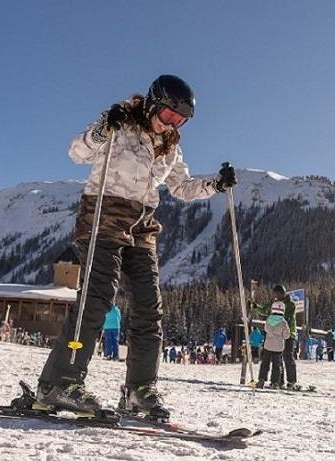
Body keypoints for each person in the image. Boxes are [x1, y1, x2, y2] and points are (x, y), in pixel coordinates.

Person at [33, 75, 237, 419]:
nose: (171, 123)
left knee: (148, 305)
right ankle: (60, 383)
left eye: (180, 120)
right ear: (153, 103)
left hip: (142, 224)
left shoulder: (171, 146)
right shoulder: (119, 123)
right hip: (103, 213)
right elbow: (77, 152)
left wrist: (215, 184)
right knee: (98, 296)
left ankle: (138, 390)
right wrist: (101, 129)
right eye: (169, 115)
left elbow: (182, 187)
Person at [252, 284, 298, 389]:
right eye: (274, 294)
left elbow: (285, 317)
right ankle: (278, 381)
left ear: (283, 293)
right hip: (277, 334)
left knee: (288, 357)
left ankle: (291, 381)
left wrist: (273, 316)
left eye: (277, 294)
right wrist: (255, 306)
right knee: (277, 359)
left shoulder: (290, 304)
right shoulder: (274, 303)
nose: (276, 296)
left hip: (288, 333)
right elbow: (264, 310)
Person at [256, 302, 290, 389]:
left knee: (265, 363)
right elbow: (287, 335)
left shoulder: (268, 319)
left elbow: (266, 329)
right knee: (276, 365)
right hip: (278, 347)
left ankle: (261, 379)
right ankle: (275, 382)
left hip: (268, 345)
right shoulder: (283, 322)